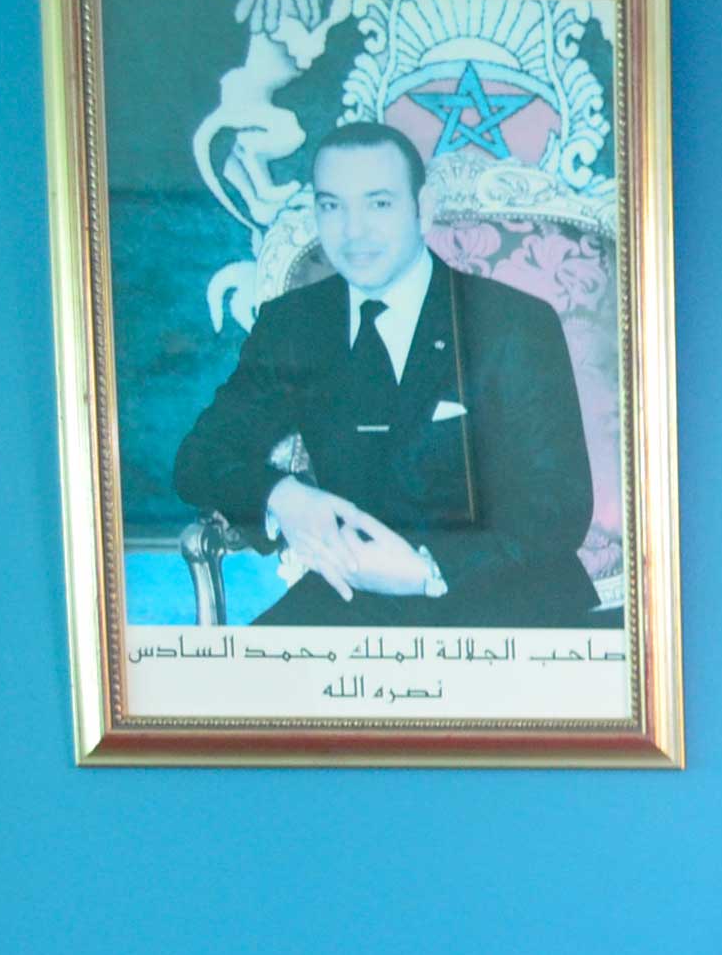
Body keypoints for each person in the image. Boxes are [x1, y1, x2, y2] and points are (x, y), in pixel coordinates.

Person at [171, 119, 598, 628]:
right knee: (237, 696)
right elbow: (200, 458)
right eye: (332, 206)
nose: (354, 232)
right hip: (353, 600)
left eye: (379, 203)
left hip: (505, 596)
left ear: (424, 208)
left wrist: (427, 570)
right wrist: (281, 496)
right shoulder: (295, 325)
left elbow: (558, 504)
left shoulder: (511, 322)